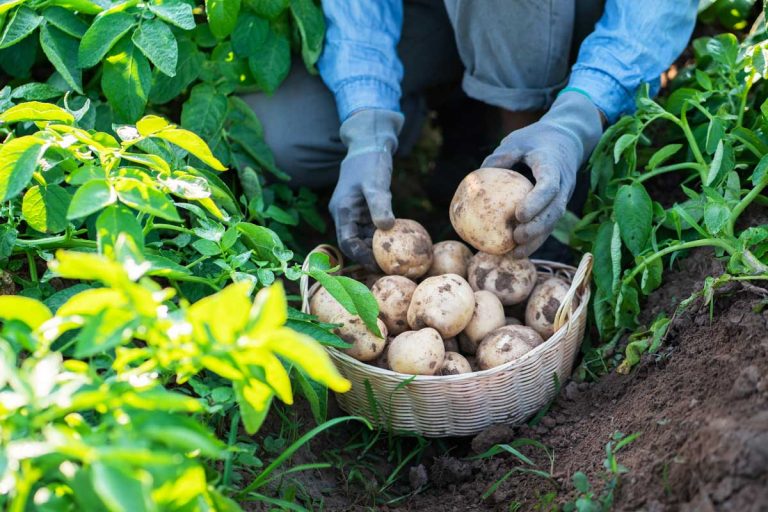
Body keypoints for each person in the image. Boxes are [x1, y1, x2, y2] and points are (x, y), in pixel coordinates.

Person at [243, 1, 698, 267]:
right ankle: (459, 111)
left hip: (572, 22)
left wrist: (574, 121)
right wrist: (368, 123)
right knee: (279, 134)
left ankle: (526, 155)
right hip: (431, 18)